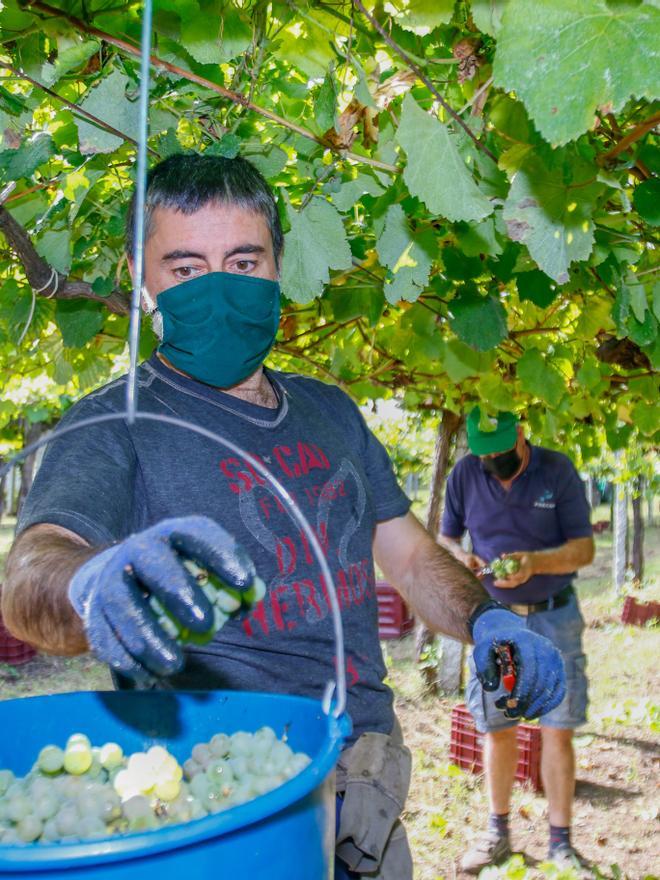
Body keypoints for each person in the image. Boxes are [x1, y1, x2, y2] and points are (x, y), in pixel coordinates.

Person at [3, 154, 565, 880]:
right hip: (220, 797)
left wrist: (486, 617)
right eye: (184, 268)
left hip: (365, 773)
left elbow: (410, 557)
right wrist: (88, 581)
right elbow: (33, 570)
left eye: (243, 261)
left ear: (276, 269)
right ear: (143, 278)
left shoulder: (331, 412)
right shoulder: (115, 422)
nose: (218, 289)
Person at [440, 407, 595, 875]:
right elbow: (445, 539)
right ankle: (497, 832)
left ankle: (561, 843)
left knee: (557, 727)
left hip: (553, 616)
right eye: (485, 455)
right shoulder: (465, 474)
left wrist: (535, 563)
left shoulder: (558, 470)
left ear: (521, 434)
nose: (494, 463)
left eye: (502, 453)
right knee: (497, 725)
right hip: (497, 622)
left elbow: (584, 549)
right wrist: (461, 558)